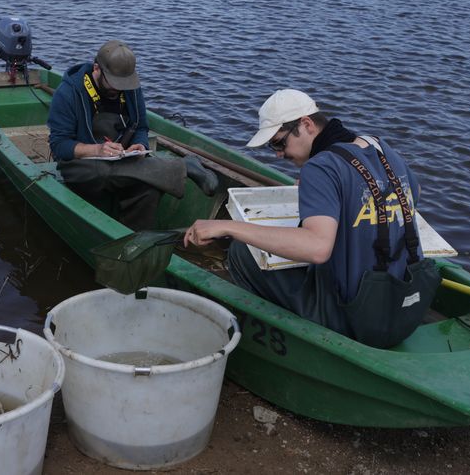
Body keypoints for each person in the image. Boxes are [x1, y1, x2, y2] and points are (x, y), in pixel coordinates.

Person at [183, 89, 439, 348]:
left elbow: (317, 248)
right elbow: (413, 194)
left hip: (358, 321)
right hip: (406, 311)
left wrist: (229, 226)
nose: (278, 155)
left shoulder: (320, 167)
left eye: (279, 143)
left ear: (306, 124)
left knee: (242, 252)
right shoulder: (379, 147)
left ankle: (274, 340)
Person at [47, 40, 217, 230]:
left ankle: (132, 240)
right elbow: (59, 145)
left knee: (150, 188)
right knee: (101, 171)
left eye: (123, 85)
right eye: (114, 84)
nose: (118, 89)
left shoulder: (129, 88)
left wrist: (140, 145)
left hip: (122, 160)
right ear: (97, 68)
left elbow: (141, 127)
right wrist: (97, 150)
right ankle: (183, 166)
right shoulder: (69, 92)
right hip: (81, 165)